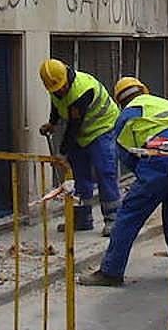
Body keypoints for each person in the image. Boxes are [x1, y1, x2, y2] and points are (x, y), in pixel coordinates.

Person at [78, 76, 168, 287]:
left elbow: (128, 157)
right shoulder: (165, 103)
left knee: (128, 216)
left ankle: (111, 271)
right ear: (144, 90)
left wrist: (146, 181)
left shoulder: (126, 116)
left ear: (119, 101)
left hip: (159, 162)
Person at [37, 59, 121, 236]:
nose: (60, 90)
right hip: (82, 133)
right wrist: (52, 123)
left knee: (104, 171)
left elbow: (74, 125)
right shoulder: (56, 87)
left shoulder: (83, 90)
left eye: (61, 87)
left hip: (102, 128)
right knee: (79, 176)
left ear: (67, 77)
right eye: (55, 89)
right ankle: (82, 219)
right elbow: (58, 104)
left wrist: (62, 152)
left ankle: (113, 219)